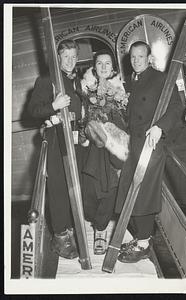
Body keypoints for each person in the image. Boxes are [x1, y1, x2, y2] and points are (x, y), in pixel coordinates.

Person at [115, 41, 183, 263]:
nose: (136, 61)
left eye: (140, 57)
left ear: (149, 57)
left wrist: (160, 126)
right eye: (133, 57)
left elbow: (176, 107)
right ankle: (141, 237)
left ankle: (144, 244)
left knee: (142, 194)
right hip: (133, 146)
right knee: (129, 192)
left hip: (151, 146)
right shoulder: (132, 82)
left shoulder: (161, 78)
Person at [28, 39, 83, 259]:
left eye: (73, 56)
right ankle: (59, 238)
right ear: (58, 58)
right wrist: (53, 106)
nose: (69, 61)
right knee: (59, 189)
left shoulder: (77, 81)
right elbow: (32, 111)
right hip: (56, 140)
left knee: (73, 188)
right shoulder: (46, 80)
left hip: (76, 141)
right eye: (65, 56)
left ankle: (69, 230)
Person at [80, 49, 129, 255]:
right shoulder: (84, 90)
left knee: (111, 190)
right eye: (99, 63)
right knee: (89, 191)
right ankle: (94, 221)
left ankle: (100, 230)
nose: (103, 67)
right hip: (91, 148)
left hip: (114, 148)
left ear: (113, 67)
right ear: (94, 66)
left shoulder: (121, 91)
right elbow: (79, 119)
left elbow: (128, 121)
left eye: (107, 63)